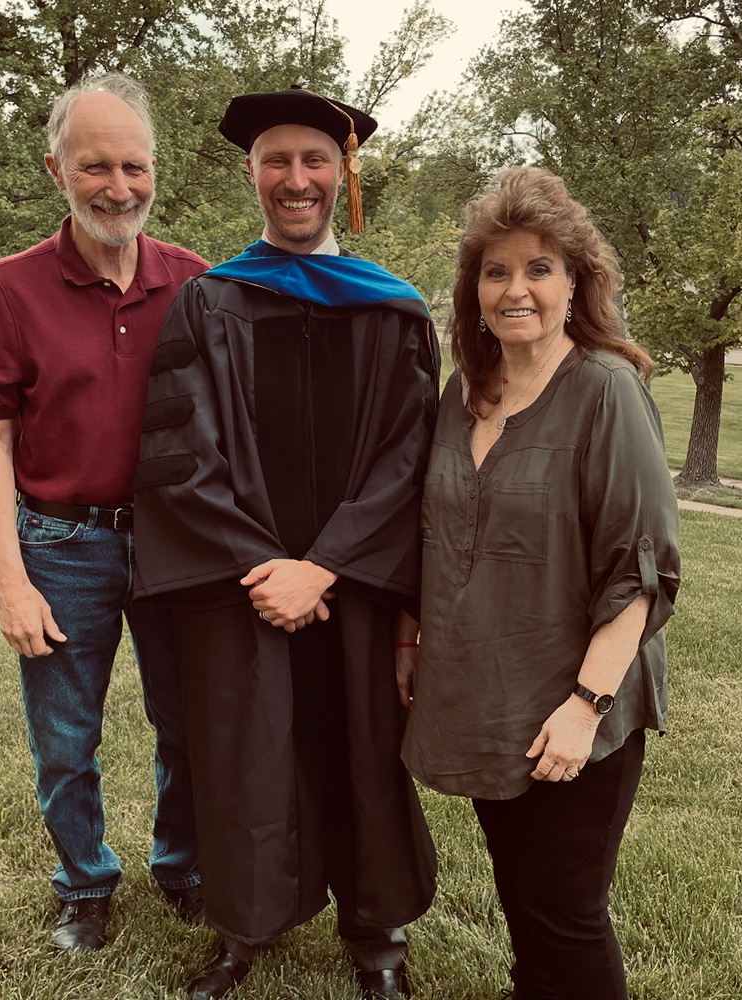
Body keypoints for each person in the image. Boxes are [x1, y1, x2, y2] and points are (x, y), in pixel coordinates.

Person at [132, 87, 439, 1000]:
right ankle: (242, 927)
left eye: (315, 160)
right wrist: (270, 570)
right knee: (243, 752)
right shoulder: (209, 302)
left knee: (364, 744)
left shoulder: (394, 311)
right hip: (245, 584)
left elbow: (412, 454)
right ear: (251, 172)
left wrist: (326, 564)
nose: (295, 178)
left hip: (353, 582)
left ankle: (374, 931)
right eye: (276, 160)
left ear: (344, 174)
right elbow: (181, 456)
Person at [400, 166, 681, 1000]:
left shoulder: (604, 389)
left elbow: (641, 572)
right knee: (523, 898)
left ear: (575, 282)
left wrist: (585, 707)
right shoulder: (463, 393)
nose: (515, 288)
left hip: (571, 704)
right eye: (496, 270)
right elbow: (431, 534)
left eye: (538, 268)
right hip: (487, 698)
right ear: (474, 287)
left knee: (566, 911)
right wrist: (407, 637)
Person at [0, 73, 208, 951]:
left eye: (134, 165)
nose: (118, 186)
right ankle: (85, 883)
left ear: (156, 170)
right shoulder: (11, 288)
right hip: (63, 543)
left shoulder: (195, 282)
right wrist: (11, 579)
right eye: (95, 165)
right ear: (55, 170)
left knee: (191, 721)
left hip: (179, 542)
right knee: (66, 737)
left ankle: (183, 866)